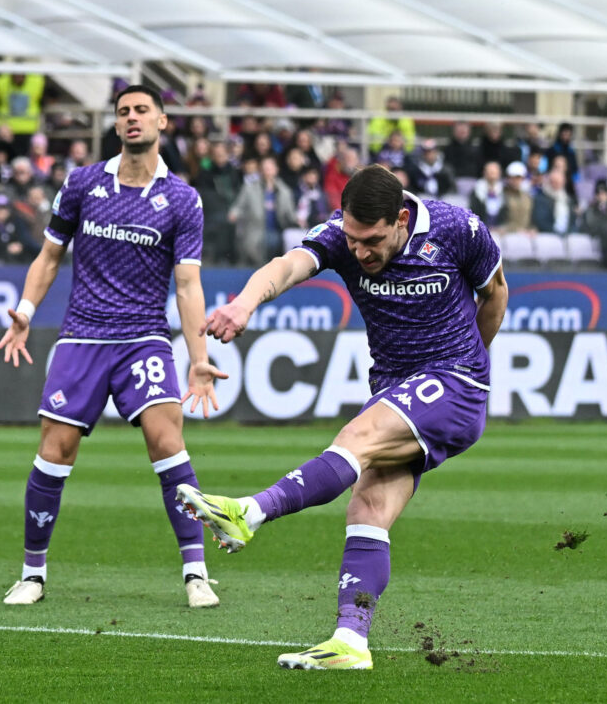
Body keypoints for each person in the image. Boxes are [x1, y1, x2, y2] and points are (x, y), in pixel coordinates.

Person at [177, 164, 507, 671]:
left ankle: (250, 512)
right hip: (395, 386)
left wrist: (471, 365)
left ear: (400, 219)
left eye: (371, 240)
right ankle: (351, 641)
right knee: (368, 508)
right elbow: (286, 266)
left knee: (357, 436)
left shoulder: (457, 229)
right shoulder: (339, 235)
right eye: (352, 239)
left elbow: (496, 292)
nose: (359, 252)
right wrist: (245, 303)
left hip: (455, 380)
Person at [0, 84, 226, 610]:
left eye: (141, 110)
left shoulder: (183, 200)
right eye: (123, 112)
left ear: (163, 121)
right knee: (55, 451)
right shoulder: (82, 183)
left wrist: (199, 360)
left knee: (168, 443)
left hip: (144, 338)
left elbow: (188, 286)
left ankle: (196, 573)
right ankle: (32, 574)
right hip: (82, 336)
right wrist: (26, 313)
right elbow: (49, 256)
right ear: (116, 124)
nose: (131, 118)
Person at [0, 72, 45, 157]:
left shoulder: (36, 82)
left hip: (29, 128)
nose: (18, 78)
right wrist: (1, 125)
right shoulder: (2, 83)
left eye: (21, 76)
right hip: (7, 129)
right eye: (16, 76)